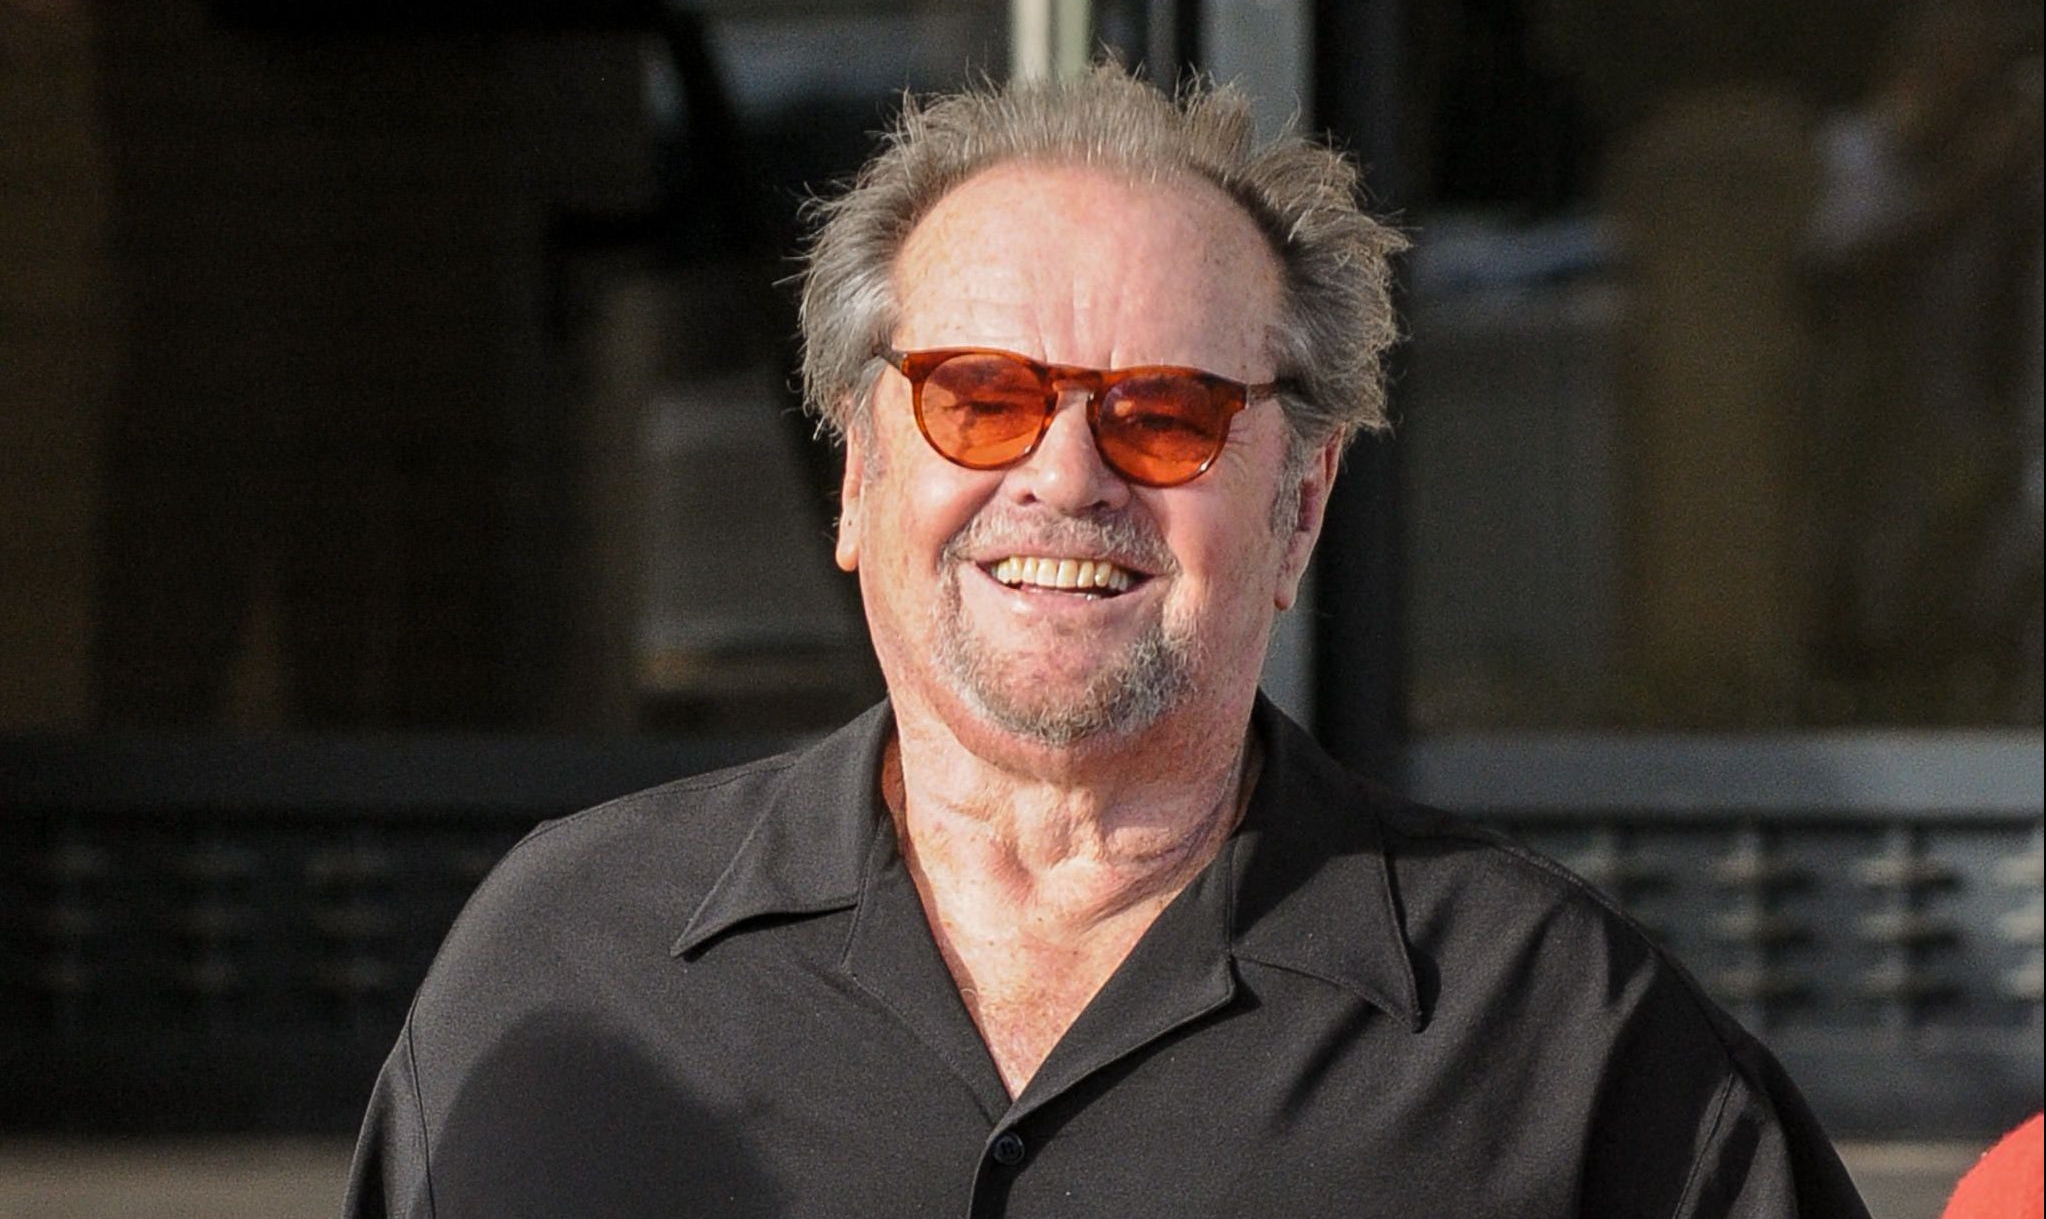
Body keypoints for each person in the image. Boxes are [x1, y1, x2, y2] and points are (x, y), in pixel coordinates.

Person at [345, 64, 1870, 1217]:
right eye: (979, 399)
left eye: (1163, 413)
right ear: (860, 473)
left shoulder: (1561, 1040)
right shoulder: (563, 958)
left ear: (1299, 506)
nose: (1064, 477)